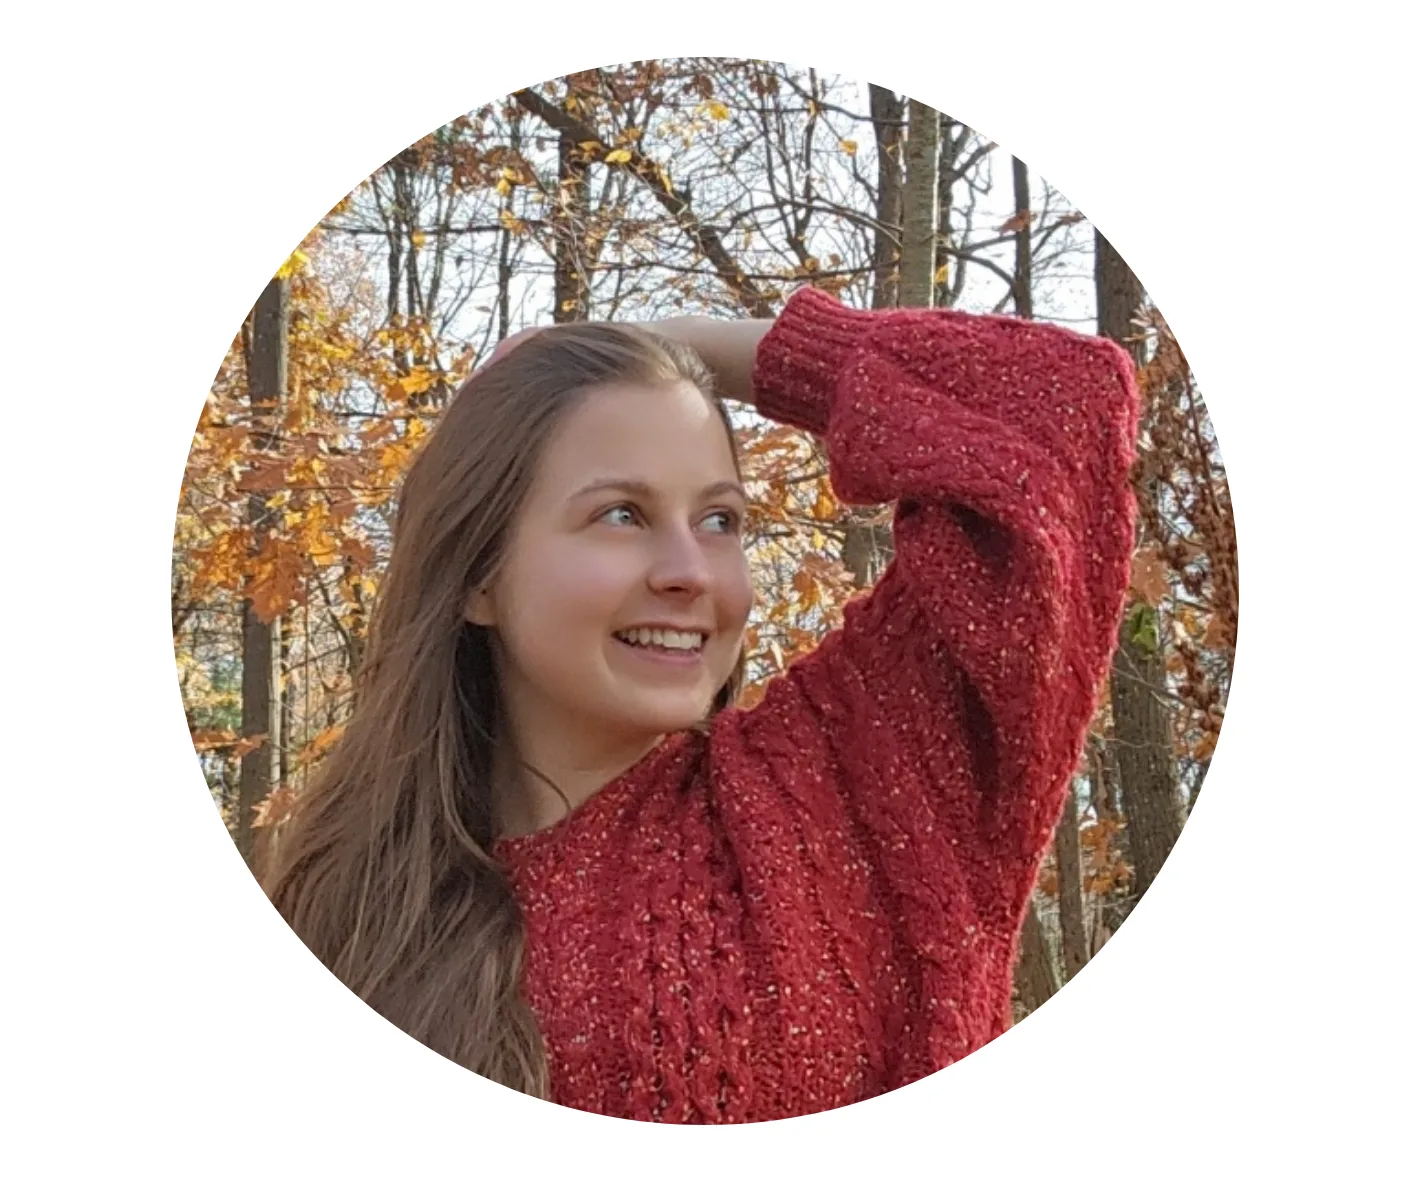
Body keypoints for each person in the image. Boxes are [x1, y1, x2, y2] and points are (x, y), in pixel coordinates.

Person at [260, 285, 1140, 1123]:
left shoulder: (868, 781)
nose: (690, 572)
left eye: (721, 521)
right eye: (621, 515)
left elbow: (1063, 405)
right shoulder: (355, 915)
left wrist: (672, 349)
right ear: (478, 578)